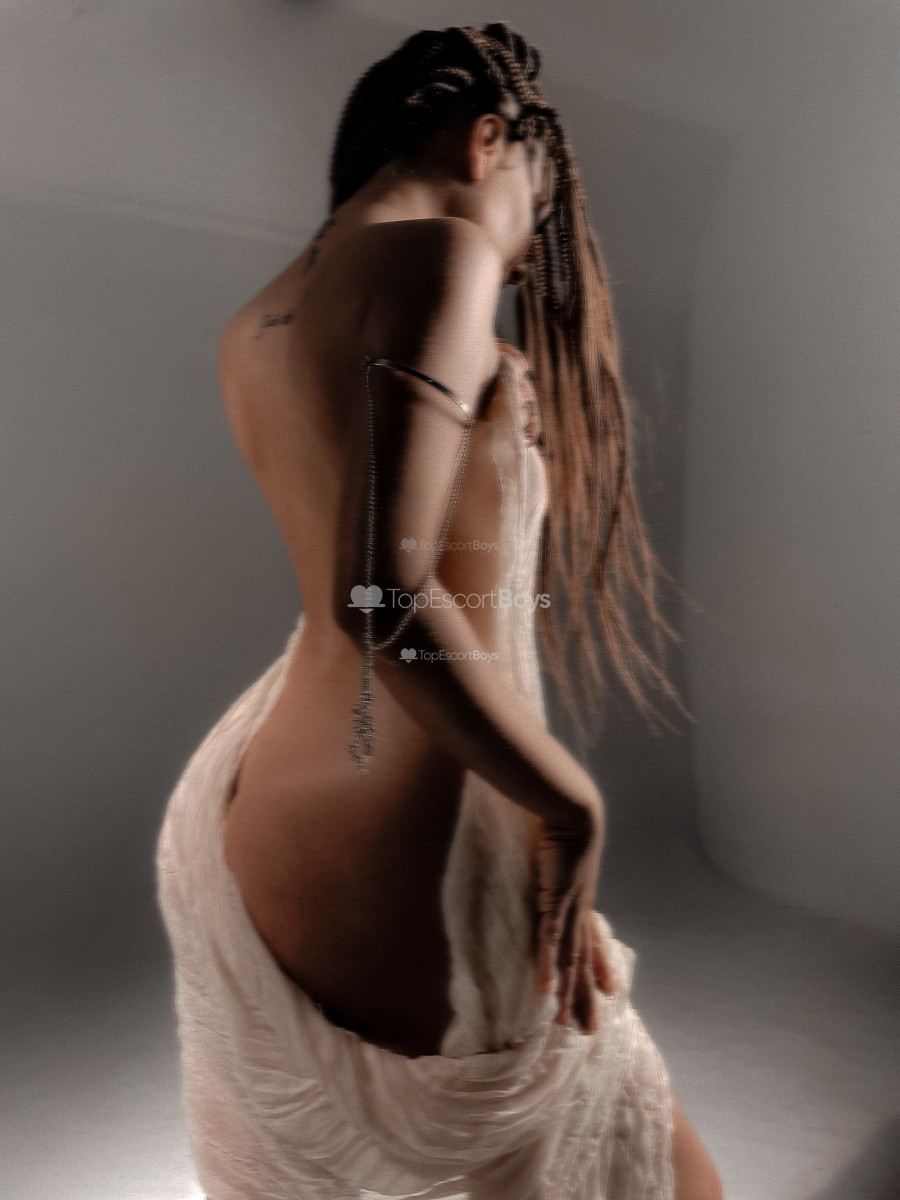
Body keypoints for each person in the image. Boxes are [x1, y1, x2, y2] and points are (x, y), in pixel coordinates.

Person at [156, 21, 724, 1200]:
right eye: (537, 213)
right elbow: (382, 592)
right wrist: (567, 803)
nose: (520, 266)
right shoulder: (442, 257)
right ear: (487, 142)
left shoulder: (256, 320)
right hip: (404, 828)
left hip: (260, 816)